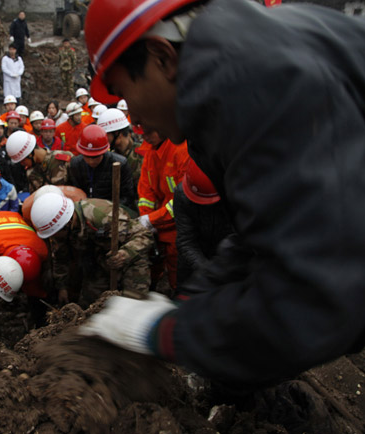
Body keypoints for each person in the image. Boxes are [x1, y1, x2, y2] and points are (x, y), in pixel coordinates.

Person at [78, 0, 365, 387]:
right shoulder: (229, 79)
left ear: (162, 57)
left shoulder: (261, 88)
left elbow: (315, 301)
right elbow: (267, 233)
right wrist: (194, 300)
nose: (132, 116)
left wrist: (168, 333)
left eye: (124, 93)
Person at [31, 192, 153, 307]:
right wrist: (62, 287)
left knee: (132, 305)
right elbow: (61, 258)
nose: (53, 238)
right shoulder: (61, 232)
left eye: (55, 234)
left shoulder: (101, 215)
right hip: (101, 261)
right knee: (89, 306)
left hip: (132, 257)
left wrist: (125, 254)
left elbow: (144, 234)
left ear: (67, 224)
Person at [135, 128, 189, 291]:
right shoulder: (151, 151)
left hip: (179, 226)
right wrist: (147, 219)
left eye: (149, 133)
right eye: (143, 134)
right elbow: (146, 191)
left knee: (177, 271)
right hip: (159, 225)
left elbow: (182, 202)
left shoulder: (182, 151)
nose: (146, 137)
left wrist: (152, 219)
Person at [174, 159, 232, 287]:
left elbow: (237, 235)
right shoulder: (181, 195)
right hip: (192, 268)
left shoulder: (232, 193)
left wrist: (224, 269)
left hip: (227, 262)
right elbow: (186, 241)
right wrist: (208, 272)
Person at [68, 124, 136, 210]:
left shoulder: (120, 164)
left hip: (113, 210)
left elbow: (128, 197)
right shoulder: (75, 164)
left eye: (95, 157)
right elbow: (74, 190)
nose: (91, 161)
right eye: (87, 156)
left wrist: (107, 209)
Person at [6, 130, 72, 193]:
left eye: (23, 160)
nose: (22, 164)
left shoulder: (63, 159)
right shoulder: (31, 173)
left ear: (30, 154)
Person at [98, 108, 144, 194]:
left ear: (118, 135)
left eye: (106, 135)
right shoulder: (109, 155)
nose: (103, 138)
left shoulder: (142, 156)